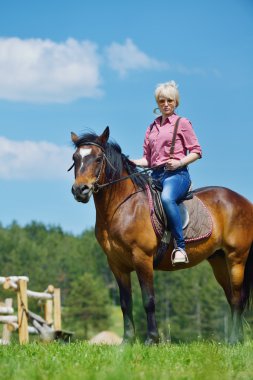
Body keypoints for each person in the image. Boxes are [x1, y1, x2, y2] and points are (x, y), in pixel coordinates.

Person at [131, 81, 202, 264]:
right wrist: (130, 162)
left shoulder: (182, 123)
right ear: (158, 103)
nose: (166, 104)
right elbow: (147, 159)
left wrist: (179, 162)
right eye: (162, 101)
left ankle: (180, 248)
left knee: (166, 199)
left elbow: (196, 151)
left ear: (176, 102)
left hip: (177, 176)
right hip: (155, 175)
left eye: (169, 100)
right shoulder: (152, 127)